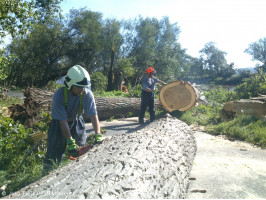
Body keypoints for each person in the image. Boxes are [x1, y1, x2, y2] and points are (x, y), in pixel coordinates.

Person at [43, 65, 102, 174]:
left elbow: (93, 114)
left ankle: (77, 176)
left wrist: (98, 133)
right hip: (59, 125)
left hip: (77, 123)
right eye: (79, 87)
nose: (82, 90)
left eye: (84, 87)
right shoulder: (59, 95)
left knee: (80, 153)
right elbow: (62, 120)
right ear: (70, 84)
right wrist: (69, 140)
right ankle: (45, 177)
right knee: (53, 155)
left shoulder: (87, 94)